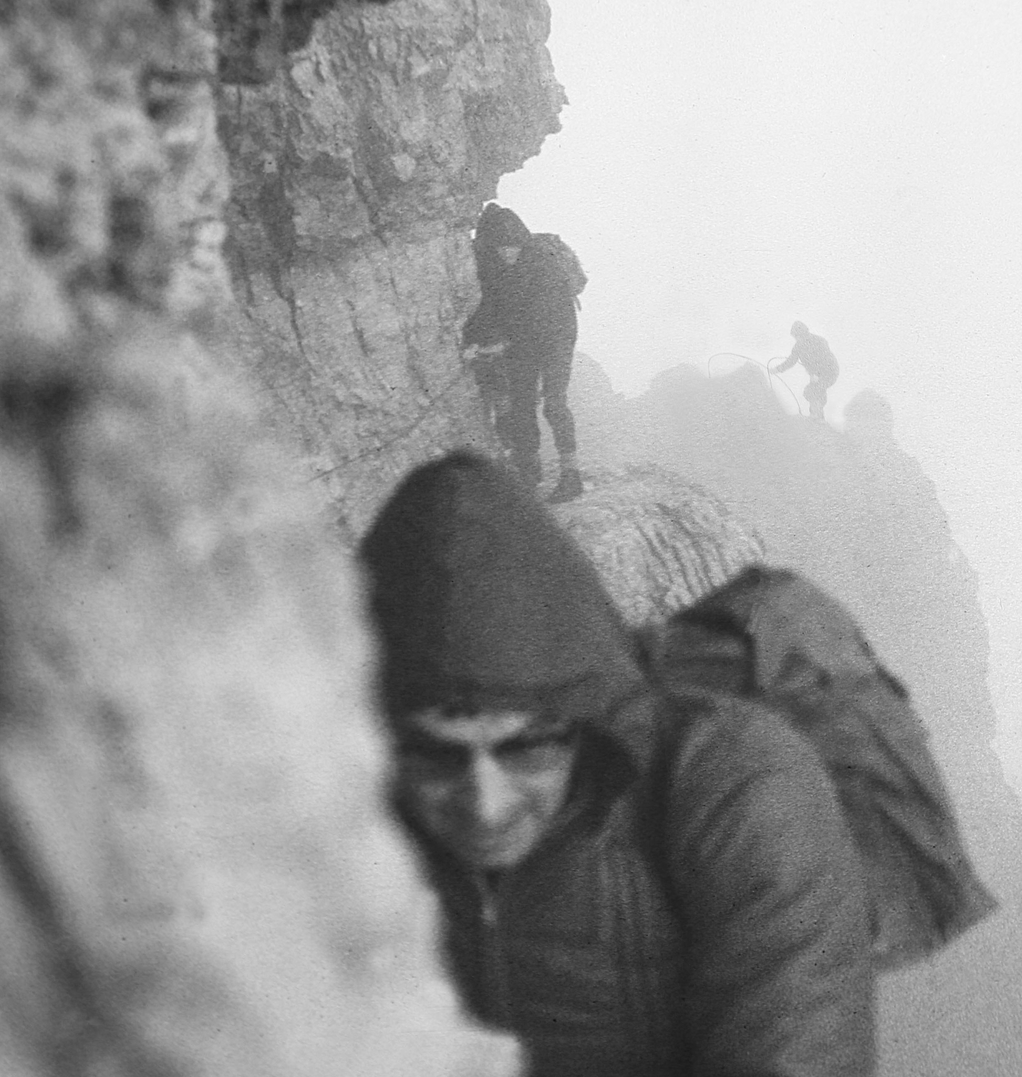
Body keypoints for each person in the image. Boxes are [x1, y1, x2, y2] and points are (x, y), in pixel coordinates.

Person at [359, 451, 877, 1077]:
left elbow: (792, 1048)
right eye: (433, 754)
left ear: (587, 719)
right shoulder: (329, 811)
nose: (484, 802)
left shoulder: (736, 789)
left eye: (527, 748)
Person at [461, 202, 584, 500]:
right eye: (501, 248)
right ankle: (529, 472)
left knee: (554, 404)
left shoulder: (543, 264)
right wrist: (478, 341)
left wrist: (497, 346)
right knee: (521, 407)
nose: (507, 253)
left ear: (523, 242)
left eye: (512, 247)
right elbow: (492, 307)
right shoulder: (501, 267)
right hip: (526, 343)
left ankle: (571, 476)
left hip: (556, 340)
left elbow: (543, 319)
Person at [772, 322, 839, 420]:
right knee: (810, 391)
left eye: (798, 336)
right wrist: (777, 369)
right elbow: (791, 361)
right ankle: (816, 416)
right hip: (817, 375)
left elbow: (826, 359)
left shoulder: (819, 341)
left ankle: (817, 416)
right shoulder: (798, 347)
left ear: (804, 333)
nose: (797, 339)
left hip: (830, 371)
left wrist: (818, 374)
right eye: (795, 337)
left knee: (815, 390)